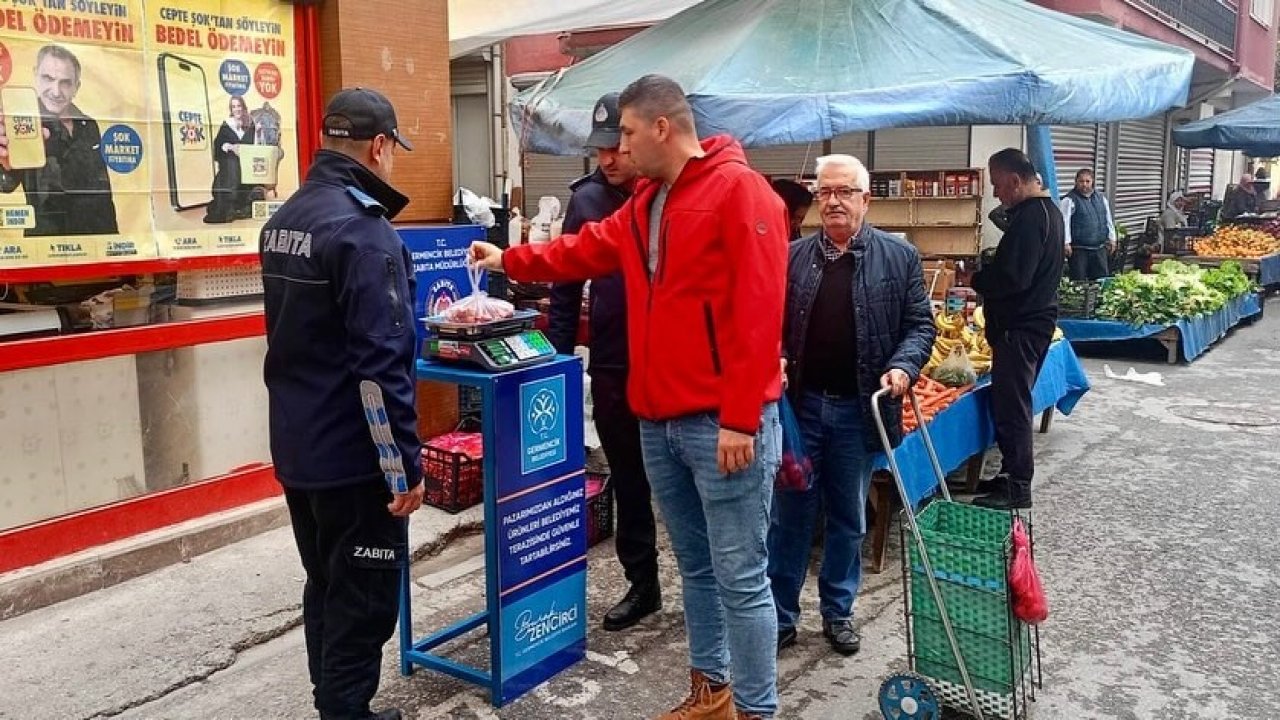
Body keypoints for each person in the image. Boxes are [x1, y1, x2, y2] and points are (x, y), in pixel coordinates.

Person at [471, 74, 788, 720]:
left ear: (662, 128)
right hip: (659, 421)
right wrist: (509, 261)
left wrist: (740, 417)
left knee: (741, 579)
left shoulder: (741, 192)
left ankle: (757, 709)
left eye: (628, 132)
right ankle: (713, 694)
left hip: (722, 426)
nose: (619, 147)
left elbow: (762, 312)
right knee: (696, 571)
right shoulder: (647, 202)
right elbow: (582, 251)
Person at [260, 88, 421, 720]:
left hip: (300, 448)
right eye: (393, 151)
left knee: (326, 584)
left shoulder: (286, 220)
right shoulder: (364, 232)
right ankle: (346, 711)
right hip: (355, 462)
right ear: (379, 147)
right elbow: (379, 368)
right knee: (363, 599)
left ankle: (337, 707)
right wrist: (401, 467)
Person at [770, 154, 934, 656]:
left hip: (858, 412)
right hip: (800, 412)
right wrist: (773, 356)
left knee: (847, 517)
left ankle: (838, 613)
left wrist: (905, 366)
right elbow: (769, 323)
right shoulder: (793, 256)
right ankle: (779, 615)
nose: (834, 201)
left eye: (845, 192)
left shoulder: (898, 257)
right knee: (790, 516)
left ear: (866, 198)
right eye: (825, 193)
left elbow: (920, 325)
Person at [545, 92, 662, 633]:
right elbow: (565, 287)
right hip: (616, 362)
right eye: (600, 150)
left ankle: (710, 586)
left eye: (616, 147)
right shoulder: (587, 200)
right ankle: (643, 583)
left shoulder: (669, 191)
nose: (609, 159)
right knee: (630, 478)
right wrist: (560, 361)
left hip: (670, 362)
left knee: (686, 480)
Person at [970, 148, 1064, 511]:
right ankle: (1010, 473)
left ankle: (1017, 485)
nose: (997, 194)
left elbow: (1013, 278)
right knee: (1013, 401)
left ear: (1014, 180)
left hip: (1021, 327)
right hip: (1034, 322)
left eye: (997, 185)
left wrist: (978, 278)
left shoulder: (1030, 218)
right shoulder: (1048, 213)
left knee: (1013, 405)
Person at [0, 44, 117, 236]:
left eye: (65, 82)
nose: (56, 91)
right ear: (35, 75)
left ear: (76, 87)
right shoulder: (22, 121)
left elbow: (103, 192)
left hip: (100, 242)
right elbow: (5, 184)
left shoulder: (89, 124)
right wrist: (5, 162)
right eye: (48, 78)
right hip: (49, 246)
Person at [204, 94, 257, 224]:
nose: (237, 109)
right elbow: (219, 145)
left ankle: (240, 205)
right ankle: (229, 205)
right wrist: (231, 147)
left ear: (243, 107)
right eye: (234, 107)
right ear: (231, 109)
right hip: (230, 161)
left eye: (239, 106)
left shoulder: (250, 124)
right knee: (231, 165)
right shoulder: (227, 124)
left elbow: (256, 144)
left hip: (247, 161)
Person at [1059, 169, 1115, 281]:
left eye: (1087, 181)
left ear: (1092, 182)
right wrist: (1066, 243)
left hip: (1099, 248)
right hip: (1079, 250)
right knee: (1079, 281)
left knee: (1101, 281)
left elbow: (1108, 219)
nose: (1084, 184)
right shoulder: (1069, 200)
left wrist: (1112, 238)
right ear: (1076, 182)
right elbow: (1064, 222)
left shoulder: (1101, 198)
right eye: (1081, 181)